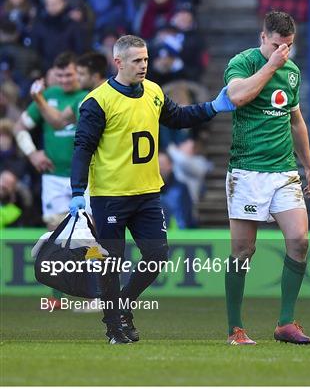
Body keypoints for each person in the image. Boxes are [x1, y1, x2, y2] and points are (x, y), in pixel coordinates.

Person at [68, 34, 235, 344]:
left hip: (147, 193)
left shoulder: (155, 92)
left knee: (157, 255)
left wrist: (213, 107)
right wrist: (78, 190)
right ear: (118, 62)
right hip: (110, 196)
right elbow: (83, 147)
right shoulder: (97, 101)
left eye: (145, 59)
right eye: (136, 61)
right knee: (110, 262)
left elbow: (179, 117)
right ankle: (114, 328)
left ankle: (124, 307)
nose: (143, 65)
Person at [223, 11, 310, 345]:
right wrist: (271, 67)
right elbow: (236, 97)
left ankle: (285, 323)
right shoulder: (243, 63)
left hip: (283, 171)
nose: (284, 52)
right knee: (243, 250)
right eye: (278, 45)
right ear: (263, 37)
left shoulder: (291, 72)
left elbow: (296, 120)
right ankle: (235, 328)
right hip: (248, 170)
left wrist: (309, 166)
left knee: (300, 241)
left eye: (289, 46)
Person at [14, 51, 87, 229]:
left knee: (88, 230)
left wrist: (38, 99)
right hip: (53, 175)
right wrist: (32, 154)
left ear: (78, 72)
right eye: (59, 75)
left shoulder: (88, 96)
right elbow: (19, 127)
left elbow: (57, 122)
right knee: (56, 230)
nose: (64, 80)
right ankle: (61, 258)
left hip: (87, 177)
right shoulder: (49, 95)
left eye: (68, 75)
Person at [29, 52, 107, 128]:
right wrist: (39, 99)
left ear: (95, 77)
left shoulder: (111, 98)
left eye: (81, 74)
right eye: (59, 75)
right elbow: (59, 121)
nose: (78, 78)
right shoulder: (82, 98)